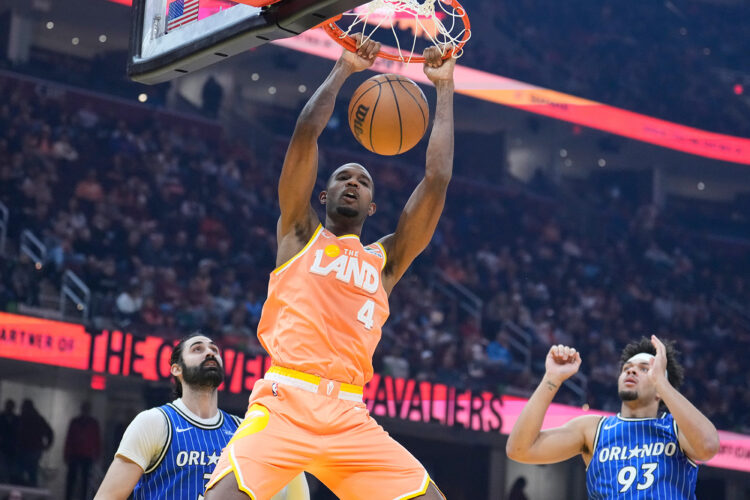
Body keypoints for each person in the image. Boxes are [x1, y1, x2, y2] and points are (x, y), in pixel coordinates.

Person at [205, 36, 455, 500]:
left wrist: (444, 88)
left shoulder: (385, 261)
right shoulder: (299, 233)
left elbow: (437, 180)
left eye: (363, 181)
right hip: (285, 403)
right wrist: (344, 69)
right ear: (324, 195)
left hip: (349, 415)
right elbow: (305, 135)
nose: (353, 183)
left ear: (372, 206)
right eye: (343, 177)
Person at [94, 333, 308, 500]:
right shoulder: (154, 422)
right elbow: (108, 496)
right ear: (176, 369)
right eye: (198, 349)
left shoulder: (244, 430)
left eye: (214, 350)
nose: (210, 353)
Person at [506, 335, 720, 499]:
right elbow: (519, 450)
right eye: (627, 368)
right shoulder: (592, 429)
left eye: (644, 369)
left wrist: (662, 383)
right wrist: (551, 378)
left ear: (659, 387)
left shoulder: (676, 428)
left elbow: (708, 446)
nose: (631, 372)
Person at [64, 401, 102, 500]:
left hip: (86, 454)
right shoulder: (76, 422)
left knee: (85, 480)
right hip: (75, 453)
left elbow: (96, 440)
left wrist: (97, 454)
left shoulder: (93, 423)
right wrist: (67, 453)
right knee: (72, 479)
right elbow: (69, 439)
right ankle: (69, 497)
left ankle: (82, 497)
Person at [17, 399, 54, 487]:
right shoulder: (38, 419)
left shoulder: (21, 419)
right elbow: (49, 432)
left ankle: (20, 490)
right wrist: (47, 445)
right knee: (32, 472)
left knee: (20, 473)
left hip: (24, 449)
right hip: (34, 449)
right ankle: (31, 490)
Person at [0, 399, 20, 484]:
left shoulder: (17, 419)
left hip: (12, 448)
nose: (9, 408)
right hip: (3, 447)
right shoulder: (2, 417)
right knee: (3, 469)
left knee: (11, 470)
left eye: (11, 406)